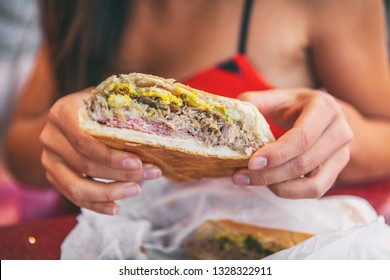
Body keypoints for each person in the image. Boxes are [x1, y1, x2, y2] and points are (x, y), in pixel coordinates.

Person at [3, 0, 390, 216]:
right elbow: (19, 149)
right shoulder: (78, 9)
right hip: (102, 242)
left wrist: (334, 139)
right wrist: (64, 138)